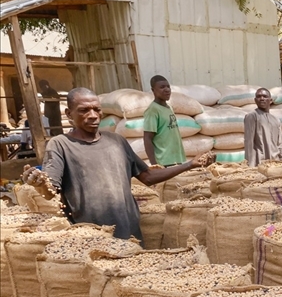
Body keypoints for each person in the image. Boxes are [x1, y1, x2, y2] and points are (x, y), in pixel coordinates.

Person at [22, 87, 207, 240]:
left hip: (129, 232)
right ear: (69, 114)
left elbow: (148, 177)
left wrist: (189, 164)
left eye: (97, 109)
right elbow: (50, 191)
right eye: (84, 110)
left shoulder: (116, 141)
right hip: (91, 236)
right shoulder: (60, 144)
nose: (93, 115)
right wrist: (39, 183)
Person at [142, 75, 186, 167]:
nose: (167, 90)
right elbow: (147, 138)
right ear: (153, 90)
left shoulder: (169, 107)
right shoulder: (153, 110)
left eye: (168, 86)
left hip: (176, 158)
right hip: (163, 161)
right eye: (162, 87)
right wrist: (154, 164)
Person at [243, 87, 282, 166]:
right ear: (255, 100)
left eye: (265, 96)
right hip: (259, 163)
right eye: (259, 96)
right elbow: (249, 142)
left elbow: (280, 143)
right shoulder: (252, 116)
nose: (262, 98)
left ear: (270, 100)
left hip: (275, 162)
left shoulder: (276, 120)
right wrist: (250, 166)